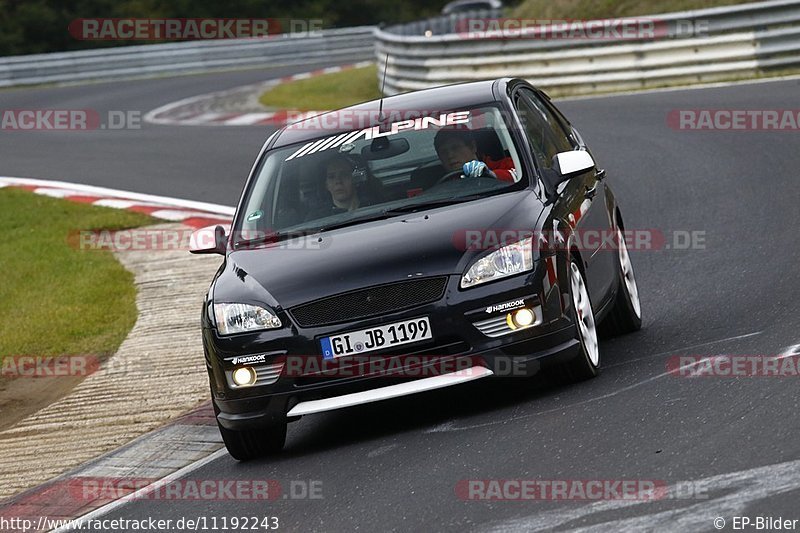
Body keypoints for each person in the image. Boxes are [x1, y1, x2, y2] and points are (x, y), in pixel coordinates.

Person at [433, 125, 517, 182]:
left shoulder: (506, 164)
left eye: (455, 148)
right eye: (443, 152)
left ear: (473, 147)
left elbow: (518, 177)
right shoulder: (437, 185)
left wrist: (490, 174)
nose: (450, 155)